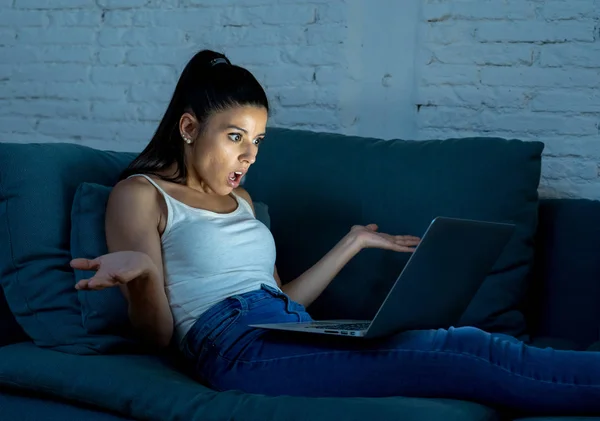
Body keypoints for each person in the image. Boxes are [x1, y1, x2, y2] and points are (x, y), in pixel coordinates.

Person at [70, 50, 600, 415]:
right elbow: (159, 337)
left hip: (284, 327)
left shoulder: (243, 202)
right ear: (189, 129)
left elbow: (281, 299)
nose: (248, 155)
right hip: (232, 347)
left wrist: (351, 244)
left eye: (257, 140)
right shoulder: (140, 194)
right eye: (234, 137)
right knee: (462, 349)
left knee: (461, 343)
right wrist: (140, 276)